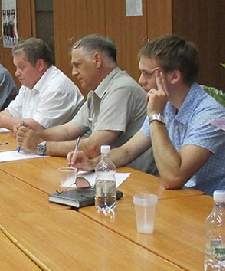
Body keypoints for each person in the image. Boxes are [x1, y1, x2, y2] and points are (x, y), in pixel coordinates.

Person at [69, 36, 225, 195]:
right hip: (180, 197)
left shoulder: (210, 114)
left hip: (211, 202)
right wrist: (94, 163)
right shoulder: (166, 104)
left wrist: (156, 116)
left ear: (175, 76)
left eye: (147, 74)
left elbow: (173, 177)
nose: (141, 80)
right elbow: (128, 151)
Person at [16, 34, 154, 172]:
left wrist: (41, 146)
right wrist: (33, 134)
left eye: (77, 65)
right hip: (110, 168)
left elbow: (94, 147)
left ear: (97, 60)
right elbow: (68, 130)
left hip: (135, 175)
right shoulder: (97, 91)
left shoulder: (121, 89)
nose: (74, 72)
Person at [0, 38, 83, 131]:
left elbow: (38, 127)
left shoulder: (57, 88)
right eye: (16, 67)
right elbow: (11, 112)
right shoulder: (29, 83)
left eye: (21, 67)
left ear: (40, 65)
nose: (16, 73)